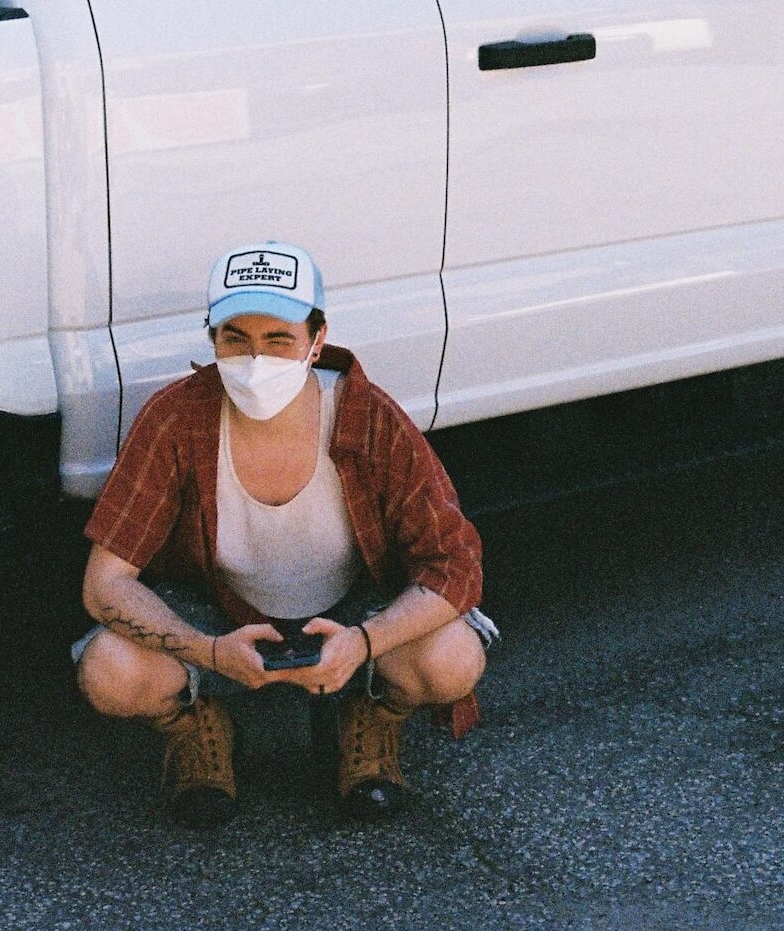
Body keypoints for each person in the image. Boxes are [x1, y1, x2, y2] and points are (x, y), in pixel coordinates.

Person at [72, 240, 496, 828]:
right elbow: (105, 584)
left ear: (316, 341)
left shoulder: (368, 417)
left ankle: (372, 715)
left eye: (278, 340)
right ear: (212, 339)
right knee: (110, 672)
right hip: (219, 615)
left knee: (451, 660)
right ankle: (195, 726)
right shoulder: (175, 419)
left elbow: (455, 564)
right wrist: (209, 652)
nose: (255, 361)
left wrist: (364, 642)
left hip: (352, 612)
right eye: (235, 339)